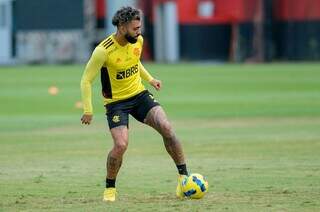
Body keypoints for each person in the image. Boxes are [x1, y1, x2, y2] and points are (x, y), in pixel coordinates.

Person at [80, 6, 188, 202]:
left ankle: (184, 180)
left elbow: (134, 62)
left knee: (167, 128)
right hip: (116, 103)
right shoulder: (103, 51)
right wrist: (88, 110)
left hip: (139, 95)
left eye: (140, 27)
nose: (139, 32)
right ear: (121, 27)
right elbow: (86, 80)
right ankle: (110, 188)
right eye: (135, 28)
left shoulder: (138, 40)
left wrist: (150, 79)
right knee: (120, 145)